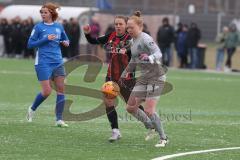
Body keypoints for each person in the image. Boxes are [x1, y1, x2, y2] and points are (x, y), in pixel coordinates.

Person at [83, 15, 144, 142]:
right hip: (111, 76)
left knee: (133, 106)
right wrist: (87, 34)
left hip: (127, 78)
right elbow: (93, 41)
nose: (117, 26)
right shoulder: (111, 36)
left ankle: (150, 123)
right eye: (116, 24)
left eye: (120, 24)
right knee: (108, 102)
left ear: (126, 26)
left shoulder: (131, 39)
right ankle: (115, 131)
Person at [121, 11, 168, 147]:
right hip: (144, 77)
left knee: (149, 110)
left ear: (140, 26)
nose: (129, 30)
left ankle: (163, 138)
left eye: (131, 27)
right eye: (127, 27)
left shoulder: (145, 38)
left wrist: (150, 58)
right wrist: (125, 73)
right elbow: (134, 61)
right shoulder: (132, 41)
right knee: (130, 107)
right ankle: (150, 126)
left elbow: (158, 53)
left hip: (156, 76)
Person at [26, 2, 70, 127]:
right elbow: (30, 45)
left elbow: (66, 39)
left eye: (45, 12)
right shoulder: (38, 27)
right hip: (43, 62)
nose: (43, 14)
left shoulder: (59, 27)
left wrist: (66, 42)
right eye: (41, 12)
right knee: (47, 91)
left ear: (51, 13)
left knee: (61, 90)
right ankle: (32, 109)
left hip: (57, 61)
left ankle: (59, 119)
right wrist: (46, 39)